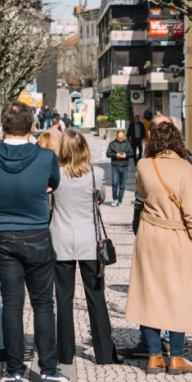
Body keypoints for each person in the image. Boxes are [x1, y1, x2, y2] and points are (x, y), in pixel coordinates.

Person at [0, 100, 68, 382]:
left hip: (3, 234)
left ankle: (14, 370)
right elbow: (53, 183)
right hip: (36, 232)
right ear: (32, 126)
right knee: (43, 305)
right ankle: (49, 370)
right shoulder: (45, 157)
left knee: (13, 304)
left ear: (2, 126)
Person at [124, 121, 192, 375]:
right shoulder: (185, 169)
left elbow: (142, 195)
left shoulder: (143, 165)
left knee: (149, 295)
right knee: (177, 296)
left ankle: (153, 357)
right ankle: (177, 358)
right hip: (177, 236)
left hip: (149, 235)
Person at [50, 130, 119, 365]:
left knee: (64, 297)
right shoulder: (95, 174)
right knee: (96, 297)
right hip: (89, 241)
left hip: (60, 239)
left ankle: (65, 352)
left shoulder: (55, 175)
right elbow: (100, 197)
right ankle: (104, 352)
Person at [105, 130, 134, 207]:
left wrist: (126, 155)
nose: (121, 139)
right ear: (116, 137)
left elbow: (132, 153)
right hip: (115, 166)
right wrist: (116, 155)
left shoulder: (127, 144)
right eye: (119, 138)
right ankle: (115, 199)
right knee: (114, 183)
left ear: (124, 137)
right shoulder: (112, 144)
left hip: (124, 166)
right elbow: (108, 153)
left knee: (122, 185)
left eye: (122, 138)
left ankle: (120, 200)